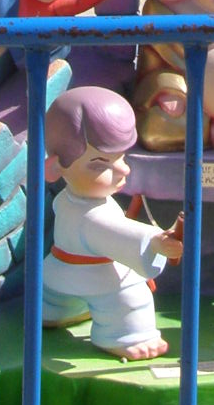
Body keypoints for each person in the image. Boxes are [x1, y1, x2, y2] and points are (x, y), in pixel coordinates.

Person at [42, 86, 183, 360]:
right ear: (55, 168)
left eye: (121, 157)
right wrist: (157, 242)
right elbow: (119, 233)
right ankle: (127, 336)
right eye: (100, 164)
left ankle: (53, 311)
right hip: (95, 277)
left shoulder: (68, 198)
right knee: (132, 296)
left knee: (52, 298)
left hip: (55, 274)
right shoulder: (91, 216)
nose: (123, 169)